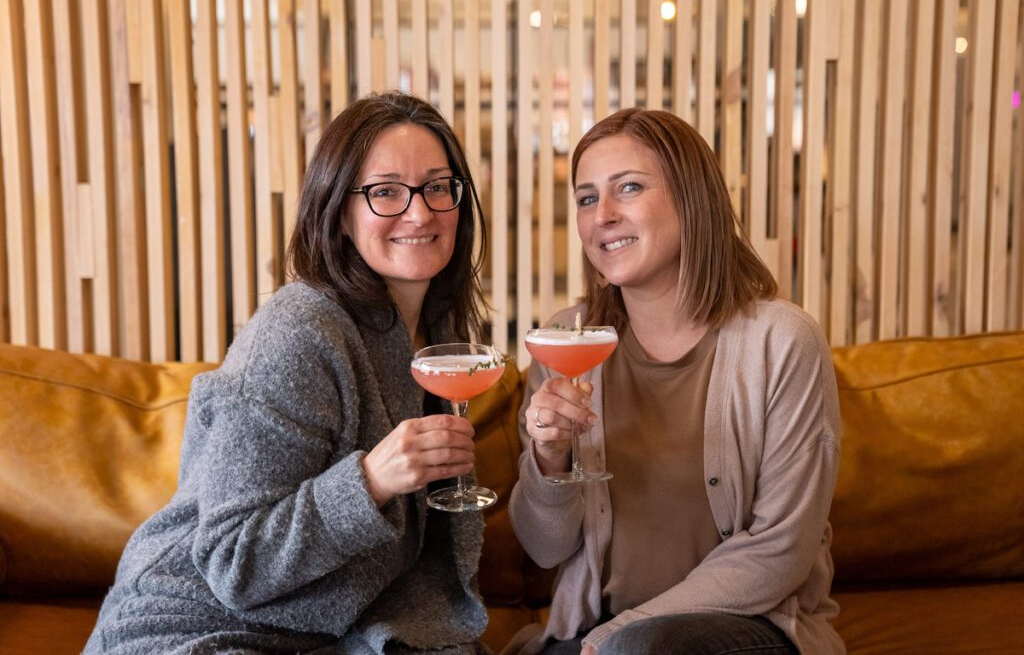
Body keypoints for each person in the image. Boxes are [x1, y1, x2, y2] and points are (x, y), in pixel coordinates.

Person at [86, 92, 493, 654]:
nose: (419, 212)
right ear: (340, 212)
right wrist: (371, 480)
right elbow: (234, 561)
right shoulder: (298, 331)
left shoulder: (438, 335)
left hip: (316, 637)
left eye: (437, 186)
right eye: (385, 192)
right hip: (195, 628)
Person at [508, 108, 843, 655]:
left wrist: (621, 634)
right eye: (588, 198)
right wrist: (548, 460)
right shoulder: (566, 341)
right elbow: (545, 549)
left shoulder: (782, 340)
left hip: (749, 627)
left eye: (630, 188)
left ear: (692, 199)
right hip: (599, 632)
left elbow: (779, 550)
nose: (603, 215)